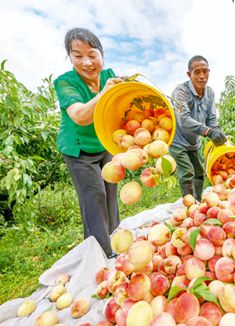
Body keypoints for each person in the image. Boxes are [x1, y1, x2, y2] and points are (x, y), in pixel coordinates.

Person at [53, 27, 123, 258]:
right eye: (78, 55)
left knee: (110, 191)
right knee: (94, 197)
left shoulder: (109, 75)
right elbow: (81, 116)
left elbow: (122, 105)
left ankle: (115, 239)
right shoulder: (65, 82)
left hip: (103, 144)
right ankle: (101, 253)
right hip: (78, 149)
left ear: (101, 55)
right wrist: (105, 92)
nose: (86, 62)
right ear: (70, 57)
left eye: (92, 55)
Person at [170, 55, 227, 201]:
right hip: (177, 140)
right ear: (189, 74)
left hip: (193, 142)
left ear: (209, 72)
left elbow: (211, 119)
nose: (202, 76)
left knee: (199, 172)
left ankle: (198, 201)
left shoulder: (209, 92)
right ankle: (189, 207)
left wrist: (217, 130)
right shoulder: (180, 92)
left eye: (205, 71)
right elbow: (183, 120)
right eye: (197, 72)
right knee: (187, 172)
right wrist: (208, 131)